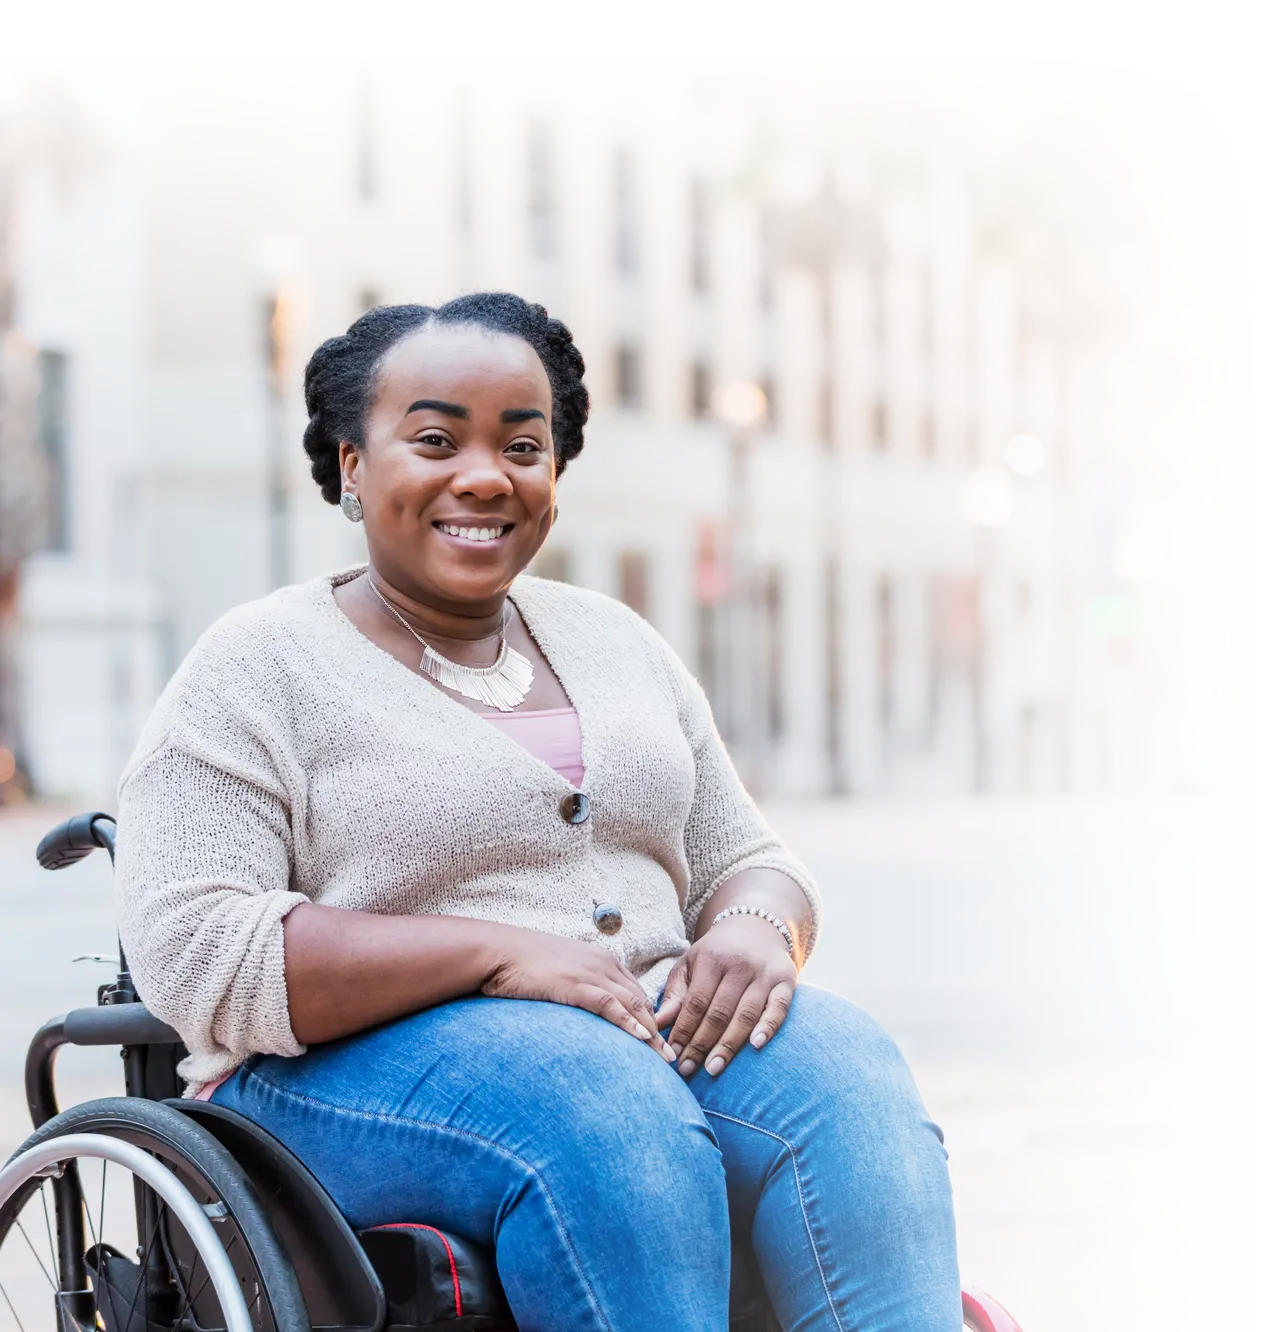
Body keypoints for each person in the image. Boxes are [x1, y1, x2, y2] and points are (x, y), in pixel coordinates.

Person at [115, 291, 961, 1332]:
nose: (483, 475)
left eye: (523, 443)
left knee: (845, 1079)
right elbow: (197, 949)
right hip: (334, 1076)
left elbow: (746, 853)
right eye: (433, 439)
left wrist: (754, 926)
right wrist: (497, 955)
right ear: (351, 462)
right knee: (601, 1113)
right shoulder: (257, 664)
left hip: (635, 1031)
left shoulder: (615, 641)